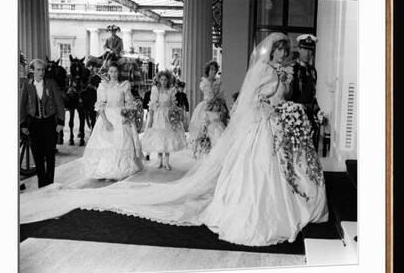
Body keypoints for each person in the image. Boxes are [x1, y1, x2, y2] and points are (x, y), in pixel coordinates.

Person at [21, 33, 328, 246]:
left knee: (273, 169)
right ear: (271, 52)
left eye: (284, 52)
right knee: (257, 170)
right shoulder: (263, 70)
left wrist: (285, 108)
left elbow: (272, 98)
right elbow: (251, 101)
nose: (282, 55)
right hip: (261, 125)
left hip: (272, 126)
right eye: (280, 51)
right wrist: (273, 108)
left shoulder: (281, 72)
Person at [81, 61, 143, 180]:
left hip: (121, 117)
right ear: (108, 72)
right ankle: (104, 170)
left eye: (115, 71)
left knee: (121, 142)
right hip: (108, 117)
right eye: (111, 71)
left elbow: (129, 103)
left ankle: (117, 170)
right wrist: (105, 121)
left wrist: (127, 116)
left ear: (119, 72)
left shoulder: (124, 85)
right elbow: (99, 106)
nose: (113, 74)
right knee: (105, 143)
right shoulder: (103, 86)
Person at [19, 59, 65, 188]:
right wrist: (23, 124)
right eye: (38, 69)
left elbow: (59, 104)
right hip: (34, 123)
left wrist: (60, 122)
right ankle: (42, 184)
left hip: (50, 123)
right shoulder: (27, 85)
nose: (41, 72)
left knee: (50, 155)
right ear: (32, 70)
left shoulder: (51, 83)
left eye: (43, 70)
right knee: (37, 155)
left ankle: (50, 184)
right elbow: (22, 105)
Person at [141, 71, 186, 170]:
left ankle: (166, 161)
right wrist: (151, 117)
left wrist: (175, 114)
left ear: (168, 80)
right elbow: (152, 104)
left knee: (168, 137)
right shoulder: (155, 90)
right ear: (159, 80)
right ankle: (159, 161)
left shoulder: (171, 90)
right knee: (159, 137)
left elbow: (174, 104)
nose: (163, 81)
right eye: (161, 79)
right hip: (158, 115)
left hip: (168, 115)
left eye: (165, 80)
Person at [188, 60, 229, 158]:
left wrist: (225, 109)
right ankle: (205, 152)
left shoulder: (218, 82)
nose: (213, 71)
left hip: (217, 107)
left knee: (218, 128)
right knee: (205, 128)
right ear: (208, 71)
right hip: (207, 107)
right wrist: (213, 99)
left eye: (215, 69)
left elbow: (222, 97)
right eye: (211, 69)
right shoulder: (204, 83)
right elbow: (209, 95)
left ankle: (217, 154)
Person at [289, 34, 322, 150]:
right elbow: (287, 96)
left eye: (310, 50)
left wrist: (318, 111)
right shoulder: (291, 69)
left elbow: (312, 97)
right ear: (298, 49)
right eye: (305, 49)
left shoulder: (313, 71)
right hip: (294, 118)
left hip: (309, 119)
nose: (308, 54)